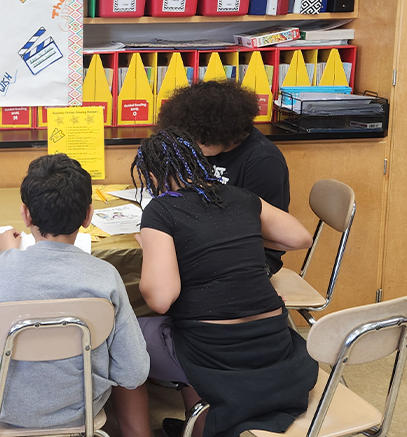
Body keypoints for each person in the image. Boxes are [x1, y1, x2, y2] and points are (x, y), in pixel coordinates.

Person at [111, 130, 316, 437]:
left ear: (152, 176)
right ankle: (200, 426)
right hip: (273, 345)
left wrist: (152, 249)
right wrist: (231, 232)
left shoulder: (161, 211)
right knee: (182, 326)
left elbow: (161, 299)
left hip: (214, 352)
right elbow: (300, 236)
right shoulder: (241, 197)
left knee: (120, 338)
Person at [0, 154, 150, 428]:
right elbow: (134, 372)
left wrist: (6, 256)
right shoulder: (106, 277)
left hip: (4, 407)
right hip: (82, 409)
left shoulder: (0, 269)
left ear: (25, 214)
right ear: (88, 216)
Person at [156, 80, 292, 274]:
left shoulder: (263, 161)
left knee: (167, 274)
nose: (192, 146)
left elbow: (259, 229)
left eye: (197, 140)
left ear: (218, 134)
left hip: (250, 255)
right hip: (207, 239)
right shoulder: (208, 148)